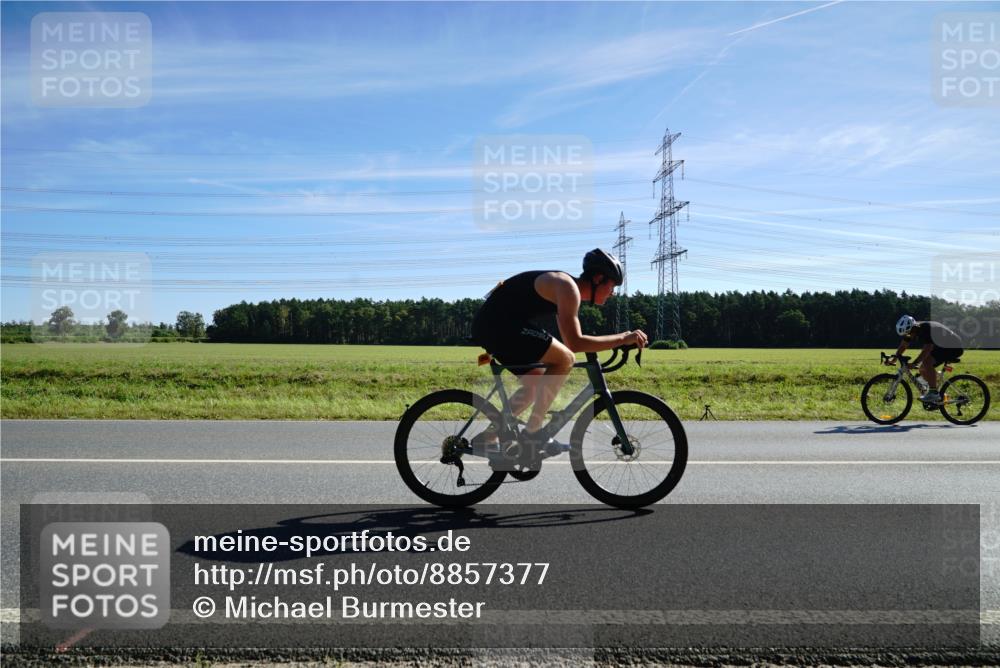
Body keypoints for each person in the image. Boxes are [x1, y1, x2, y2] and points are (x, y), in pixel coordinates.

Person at [470, 249, 647, 449]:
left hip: (495, 325)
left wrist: (619, 340)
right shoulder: (567, 288)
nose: (613, 293)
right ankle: (533, 434)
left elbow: (571, 337)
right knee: (565, 358)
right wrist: (623, 338)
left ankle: (488, 437)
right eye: (612, 286)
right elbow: (575, 344)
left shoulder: (566, 289)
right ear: (598, 278)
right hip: (499, 325)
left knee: (535, 384)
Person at [887, 315, 964, 404]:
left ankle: (933, 392)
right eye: (906, 334)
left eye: (909, 332)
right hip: (942, 346)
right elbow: (904, 345)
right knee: (922, 369)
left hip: (953, 347)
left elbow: (927, 349)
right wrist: (895, 358)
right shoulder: (913, 329)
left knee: (927, 362)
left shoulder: (926, 329)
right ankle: (938, 393)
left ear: (914, 327)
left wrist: (915, 363)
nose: (909, 335)